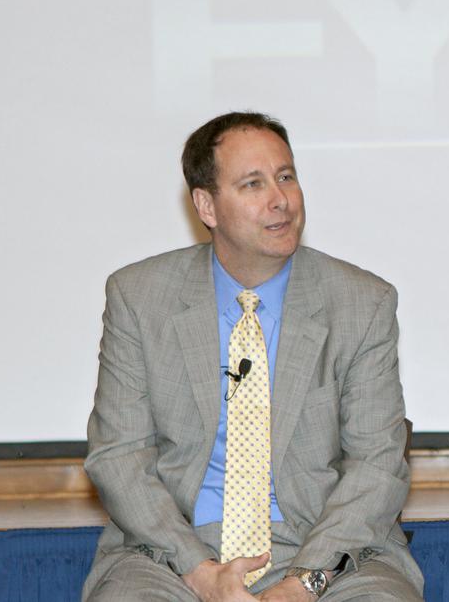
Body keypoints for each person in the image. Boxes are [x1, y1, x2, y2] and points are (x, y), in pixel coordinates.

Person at [83, 111, 424, 601]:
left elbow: (377, 465)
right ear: (206, 205)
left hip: (328, 555)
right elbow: (118, 457)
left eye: (286, 177)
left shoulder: (361, 303)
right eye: (253, 184)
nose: (280, 199)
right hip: (171, 554)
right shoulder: (139, 298)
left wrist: (303, 582)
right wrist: (200, 571)